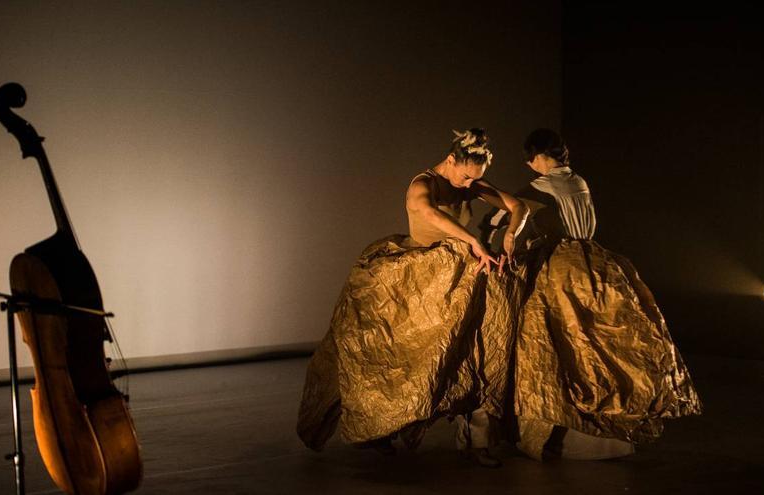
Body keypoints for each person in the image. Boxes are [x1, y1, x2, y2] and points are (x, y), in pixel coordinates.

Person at [297, 129, 529, 464]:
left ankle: (479, 442)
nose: (468, 185)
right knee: (406, 358)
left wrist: (511, 234)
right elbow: (429, 213)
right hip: (424, 279)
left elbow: (517, 206)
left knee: (477, 352)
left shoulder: (471, 183)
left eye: (475, 179)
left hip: (463, 279)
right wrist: (473, 240)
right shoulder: (423, 184)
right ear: (451, 160)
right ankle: (380, 429)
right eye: (465, 176)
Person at [482, 128, 702, 460]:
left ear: (541, 156)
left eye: (531, 159)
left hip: (561, 268)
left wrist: (495, 232)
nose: (530, 165)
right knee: (598, 342)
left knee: (553, 344)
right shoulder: (580, 182)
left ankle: (554, 427)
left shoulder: (538, 188)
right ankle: (605, 428)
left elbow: (501, 216)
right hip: (596, 262)